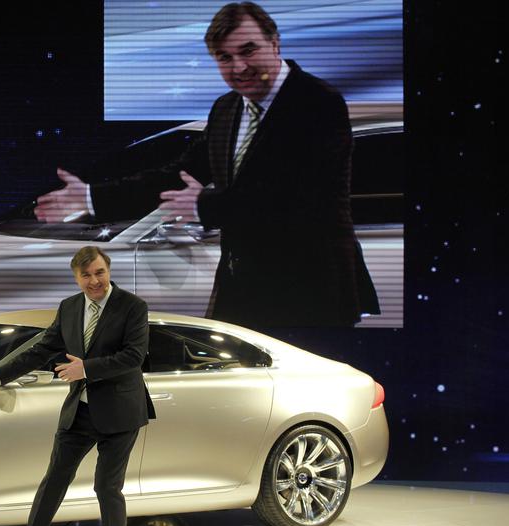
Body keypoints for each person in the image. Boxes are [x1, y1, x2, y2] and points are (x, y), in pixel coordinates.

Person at [33, 2, 378, 328]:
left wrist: (204, 205)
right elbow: (178, 174)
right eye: (224, 57)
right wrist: (93, 196)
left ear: (275, 44)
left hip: (310, 287)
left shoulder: (319, 102)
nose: (238, 67)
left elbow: (297, 198)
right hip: (242, 284)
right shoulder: (226, 109)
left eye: (248, 50)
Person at [0, 246, 154, 526]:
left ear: (108, 270)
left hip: (121, 410)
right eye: (86, 275)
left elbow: (134, 356)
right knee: (53, 481)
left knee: (106, 486)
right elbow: (41, 349)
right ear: (76, 278)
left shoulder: (132, 306)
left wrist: (87, 369)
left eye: (99, 272)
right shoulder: (69, 307)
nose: (94, 281)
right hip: (80, 410)